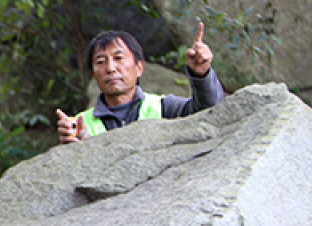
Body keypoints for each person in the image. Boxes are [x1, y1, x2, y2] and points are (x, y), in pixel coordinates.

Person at [56, 22, 224, 143]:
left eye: (118, 58)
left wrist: (202, 74)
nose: (110, 68)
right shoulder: (79, 123)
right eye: (101, 61)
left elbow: (210, 112)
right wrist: (78, 147)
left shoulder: (163, 108)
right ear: (93, 74)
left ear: (139, 67)